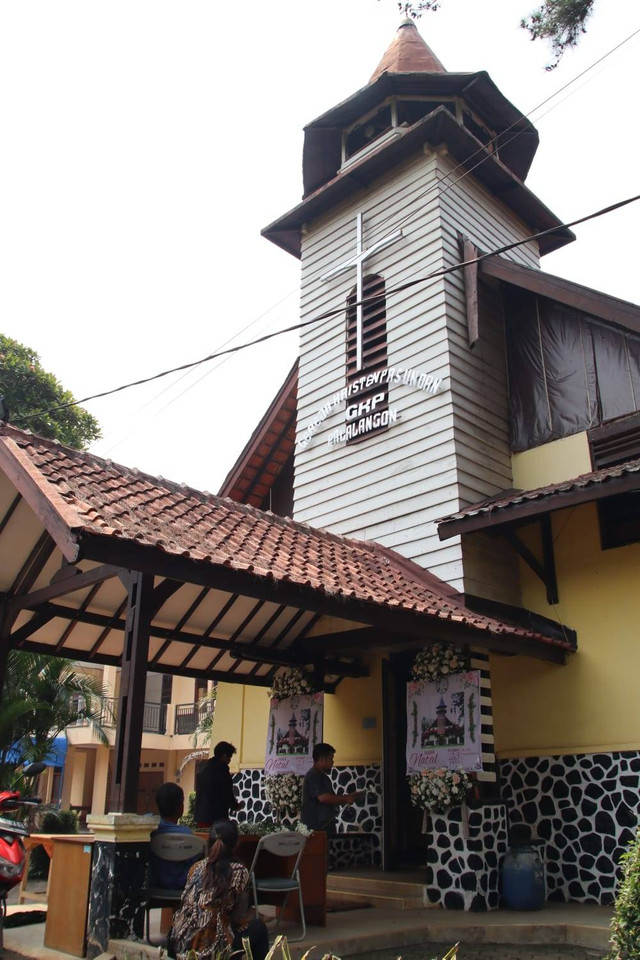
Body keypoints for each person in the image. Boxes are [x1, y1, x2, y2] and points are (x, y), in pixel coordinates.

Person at [168, 819, 269, 960]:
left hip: (179, 947)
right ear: (236, 844)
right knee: (258, 928)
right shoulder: (239, 871)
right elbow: (238, 916)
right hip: (212, 951)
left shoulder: (195, 868)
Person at [149, 782, 203, 891]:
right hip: (181, 889)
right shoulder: (185, 834)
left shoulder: (149, 828)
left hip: (153, 887)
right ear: (180, 807)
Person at [300, 742, 362, 836]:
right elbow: (323, 797)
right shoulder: (313, 775)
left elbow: (330, 798)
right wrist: (345, 798)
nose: (332, 762)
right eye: (331, 759)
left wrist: (348, 798)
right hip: (315, 826)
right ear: (322, 759)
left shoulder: (323, 777)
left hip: (324, 823)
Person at [194, 741, 243, 827]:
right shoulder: (222, 772)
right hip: (217, 818)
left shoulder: (203, 771)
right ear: (224, 756)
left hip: (201, 817)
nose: (229, 760)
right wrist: (236, 806)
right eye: (229, 757)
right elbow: (227, 794)